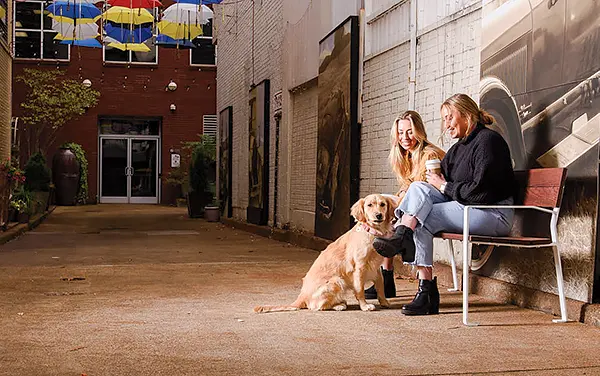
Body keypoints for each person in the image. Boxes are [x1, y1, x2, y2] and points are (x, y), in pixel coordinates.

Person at [373, 93, 516, 315]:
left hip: (493, 212)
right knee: (419, 191)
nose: (446, 124)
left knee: (424, 216)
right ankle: (404, 238)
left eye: (450, 117)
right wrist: (435, 183)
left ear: (467, 115)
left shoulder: (488, 141)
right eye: (444, 119)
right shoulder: (459, 148)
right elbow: (436, 186)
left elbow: (481, 191)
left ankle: (426, 290)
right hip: (468, 207)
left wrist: (444, 186)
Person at [365, 110, 445, 300]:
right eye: (401, 132)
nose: (404, 137)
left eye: (410, 132)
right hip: (417, 203)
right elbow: (407, 187)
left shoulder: (429, 154)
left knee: (390, 214)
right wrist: (395, 199)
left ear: (419, 132)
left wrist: (397, 202)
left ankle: (387, 281)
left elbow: (423, 190)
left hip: (435, 204)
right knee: (382, 209)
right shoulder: (404, 155)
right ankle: (385, 279)